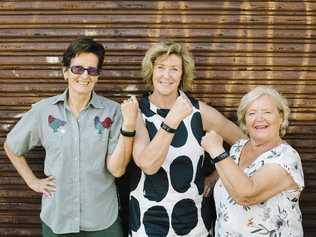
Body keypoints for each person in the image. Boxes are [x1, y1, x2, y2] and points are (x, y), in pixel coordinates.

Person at [3, 36, 138, 236]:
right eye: (77, 69)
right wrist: (32, 181)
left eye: (92, 70)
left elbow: (117, 170)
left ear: (98, 75)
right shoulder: (43, 111)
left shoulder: (113, 112)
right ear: (65, 72)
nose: (85, 75)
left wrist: (128, 127)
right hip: (57, 220)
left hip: (102, 221)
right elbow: (12, 146)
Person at [128, 40, 244, 236]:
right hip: (147, 224)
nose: (167, 75)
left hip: (194, 223)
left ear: (183, 74)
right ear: (151, 71)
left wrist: (217, 176)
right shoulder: (138, 112)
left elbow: (243, 143)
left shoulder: (199, 112)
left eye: (174, 69)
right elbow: (148, 164)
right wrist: (172, 119)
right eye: (161, 68)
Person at [201, 86, 304, 236]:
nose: (259, 119)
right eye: (252, 113)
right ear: (245, 120)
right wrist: (212, 179)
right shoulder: (238, 148)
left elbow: (246, 195)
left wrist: (217, 151)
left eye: (267, 112)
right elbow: (232, 173)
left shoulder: (286, 158)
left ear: (281, 117)